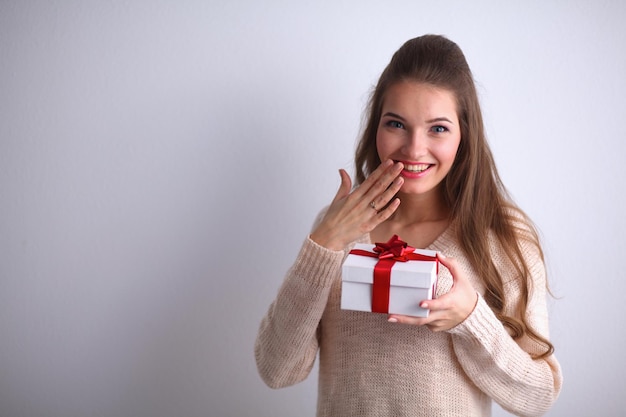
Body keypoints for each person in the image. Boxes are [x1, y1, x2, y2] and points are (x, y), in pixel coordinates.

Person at [254, 34, 562, 417]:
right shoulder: (335, 228)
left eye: (438, 128)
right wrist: (324, 243)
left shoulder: (501, 237)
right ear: (375, 128)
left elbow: (538, 397)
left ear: (464, 135)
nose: (414, 149)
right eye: (397, 124)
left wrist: (472, 320)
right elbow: (277, 370)